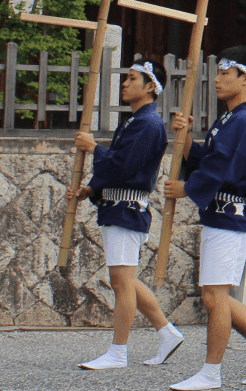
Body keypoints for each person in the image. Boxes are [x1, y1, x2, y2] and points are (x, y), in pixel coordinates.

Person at [166, 46, 246, 391]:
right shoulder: (231, 118)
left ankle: (211, 372)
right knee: (215, 295)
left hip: (232, 216)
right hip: (223, 216)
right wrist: (186, 138)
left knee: (215, 296)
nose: (216, 79)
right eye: (216, 73)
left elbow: (222, 168)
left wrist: (186, 188)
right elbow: (209, 158)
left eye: (224, 73)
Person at [72, 58, 183, 371]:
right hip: (118, 206)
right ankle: (166, 332)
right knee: (127, 280)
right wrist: (91, 190)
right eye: (125, 78)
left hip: (128, 208)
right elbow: (119, 164)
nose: (124, 83)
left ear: (150, 86)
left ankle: (118, 351)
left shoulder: (148, 124)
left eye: (132, 78)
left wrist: (94, 148)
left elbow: (123, 167)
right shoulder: (134, 121)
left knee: (121, 282)